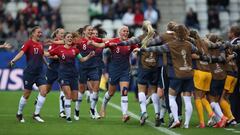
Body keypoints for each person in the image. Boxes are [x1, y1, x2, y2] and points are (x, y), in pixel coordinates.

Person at [138, 25, 199, 128]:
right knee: (187, 100)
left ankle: (175, 120)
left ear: (175, 34)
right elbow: (197, 50)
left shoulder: (170, 45)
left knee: (171, 97)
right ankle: (186, 124)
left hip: (177, 74)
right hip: (189, 74)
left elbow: (156, 48)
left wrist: (142, 49)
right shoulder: (189, 44)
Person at [91, 26, 138, 122]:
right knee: (111, 92)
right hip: (114, 70)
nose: (126, 33)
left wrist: (136, 51)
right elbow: (101, 45)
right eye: (124, 31)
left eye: (127, 31)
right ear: (119, 32)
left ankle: (124, 114)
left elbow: (136, 50)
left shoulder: (130, 42)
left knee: (124, 92)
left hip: (125, 70)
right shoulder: (114, 41)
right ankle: (103, 107)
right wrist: (92, 43)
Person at [46, 32, 95, 122]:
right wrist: (39, 51)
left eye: (71, 37)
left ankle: (63, 98)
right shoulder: (58, 49)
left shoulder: (75, 50)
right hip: (63, 75)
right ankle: (68, 117)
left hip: (73, 75)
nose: (69, 39)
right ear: (64, 39)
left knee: (74, 98)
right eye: (68, 37)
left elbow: (82, 59)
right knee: (68, 95)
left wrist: (89, 56)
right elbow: (47, 54)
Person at [9, 26, 48, 123]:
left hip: (40, 72)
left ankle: (36, 114)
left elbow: (42, 54)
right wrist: (13, 61)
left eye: (41, 32)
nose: (40, 34)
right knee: (27, 94)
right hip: (30, 73)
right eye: (38, 32)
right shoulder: (28, 43)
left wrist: (46, 63)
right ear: (33, 33)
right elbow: (21, 53)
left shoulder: (40, 44)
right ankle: (19, 113)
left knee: (44, 91)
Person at [45, 28, 66, 118]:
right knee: (47, 89)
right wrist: (59, 56)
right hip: (52, 68)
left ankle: (62, 111)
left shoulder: (66, 43)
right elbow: (50, 54)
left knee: (63, 88)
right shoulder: (53, 43)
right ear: (56, 34)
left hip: (62, 68)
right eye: (61, 33)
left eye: (63, 33)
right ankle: (38, 100)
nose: (62, 35)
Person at [228, 25, 240, 123]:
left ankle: (234, 116)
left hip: (235, 71)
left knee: (233, 94)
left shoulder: (232, 43)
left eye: (229, 32)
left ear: (232, 33)